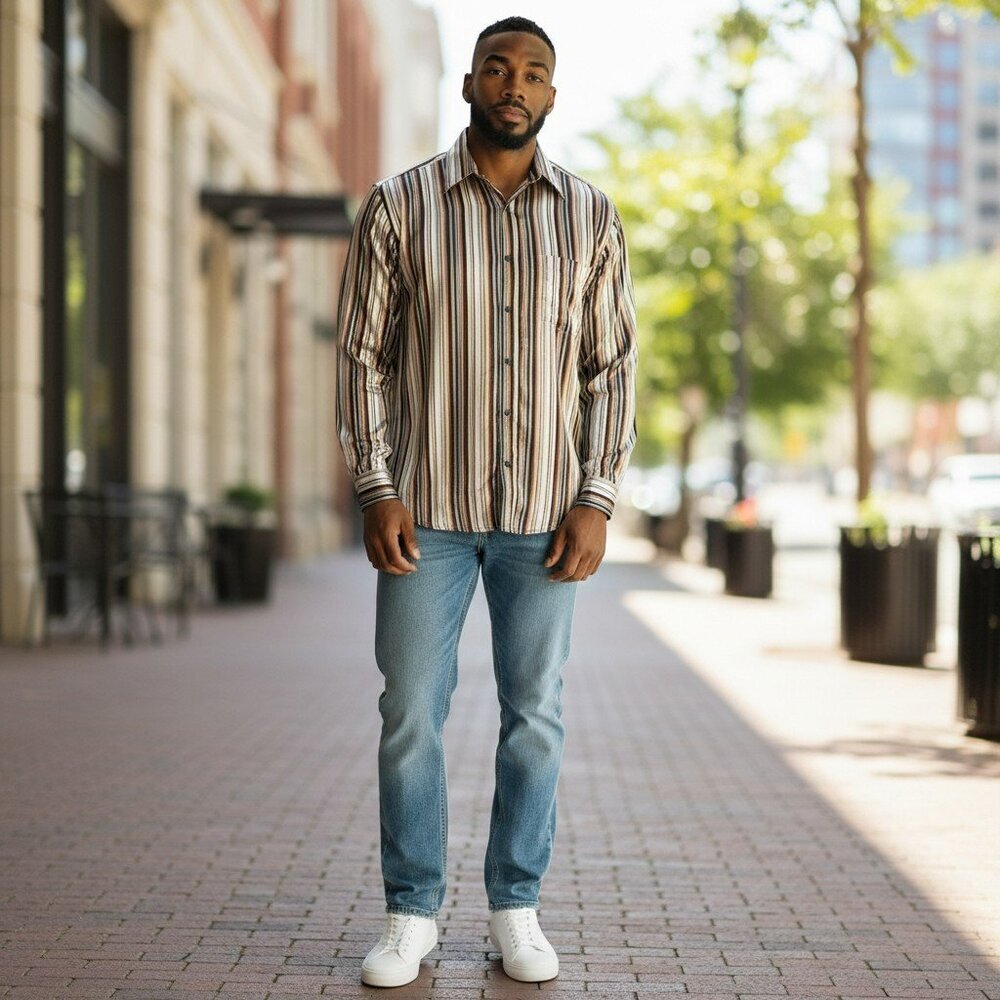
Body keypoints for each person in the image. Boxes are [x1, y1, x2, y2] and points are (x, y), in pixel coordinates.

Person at [336, 15, 638, 989]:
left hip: (547, 518)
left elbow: (612, 368)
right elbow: (361, 358)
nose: (515, 83)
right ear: (469, 84)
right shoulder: (400, 204)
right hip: (424, 512)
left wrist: (596, 495)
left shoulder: (589, 217)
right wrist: (375, 483)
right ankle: (410, 912)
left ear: (553, 94)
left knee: (534, 716)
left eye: (535, 72)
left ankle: (515, 906)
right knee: (412, 711)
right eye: (498, 68)